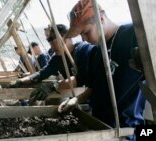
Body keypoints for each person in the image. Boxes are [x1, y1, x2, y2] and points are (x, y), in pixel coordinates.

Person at [58, 0, 145, 139]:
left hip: (126, 131)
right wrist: (76, 99)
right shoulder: (96, 52)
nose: (84, 39)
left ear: (102, 19)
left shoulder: (134, 36)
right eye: (80, 35)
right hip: (99, 127)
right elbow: (94, 86)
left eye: (86, 32)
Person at [11, 24, 77, 87]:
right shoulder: (57, 59)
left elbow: (80, 78)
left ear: (65, 38)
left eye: (53, 38)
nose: (52, 44)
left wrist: (55, 86)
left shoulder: (82, 51)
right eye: (49, 40)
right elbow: (41, 74)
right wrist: (20, 81)